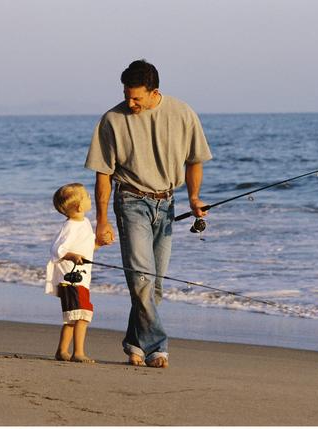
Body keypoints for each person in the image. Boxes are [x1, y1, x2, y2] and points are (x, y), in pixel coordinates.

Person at [85, 59, 212, 368]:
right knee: (141, 278)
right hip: (130, 201)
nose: (130, 103)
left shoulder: (182, 113)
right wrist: (101, 221)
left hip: (167, 203)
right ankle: (157, 346)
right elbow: (103, 173)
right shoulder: (112, 119)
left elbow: (195, 161)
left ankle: (135, 344)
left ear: (154, 91)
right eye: (127, 95)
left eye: (136, 98)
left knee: (153, 285)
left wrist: (194, 198)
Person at [45, 183, 97, 364]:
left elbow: (86, 248)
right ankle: (78, 352)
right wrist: (72, 256)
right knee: (82, 314)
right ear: (79, 206)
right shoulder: (70, 226)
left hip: (82, 277)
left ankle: (62, 351)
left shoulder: (85, 223)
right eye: (87, 196)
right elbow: (56, 249)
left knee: (72, 317)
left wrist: (99, 245)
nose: (91, 198)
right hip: (71, 278)